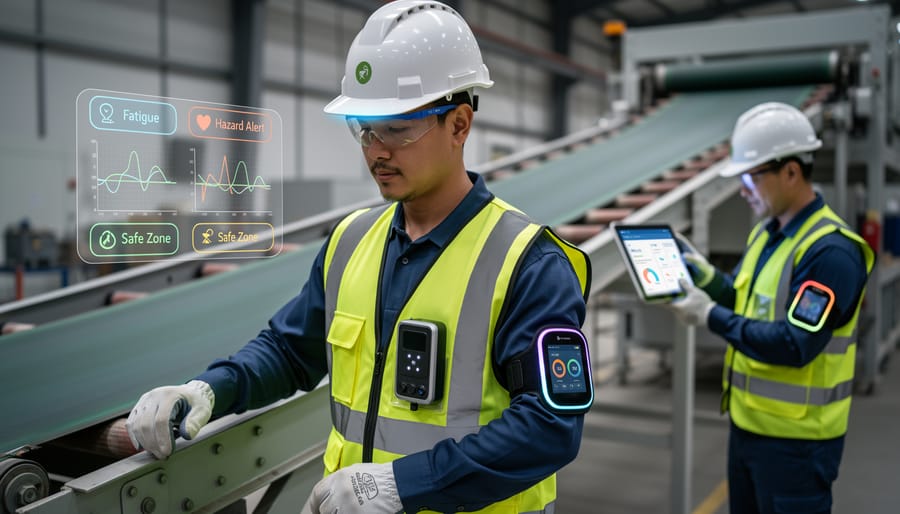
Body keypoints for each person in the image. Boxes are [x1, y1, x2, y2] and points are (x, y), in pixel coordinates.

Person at [126, 1, 591, 513]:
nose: (376, 150)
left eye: (397, 128)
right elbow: (288, 350)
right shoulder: (349, 242)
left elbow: (550, 426)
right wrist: (210, 391)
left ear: (459, 125)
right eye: (363, 127)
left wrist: (403, 485)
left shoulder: (529, 263)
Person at [667, 101, 874, 514]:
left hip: (796, 446)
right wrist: (706, 279)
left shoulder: (830, 252)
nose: (742, 190)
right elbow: (745, 300)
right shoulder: (768, 234)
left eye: (749, 177)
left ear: (791, 172)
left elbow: (796, 344)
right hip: (747, 429)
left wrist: (709, 315)